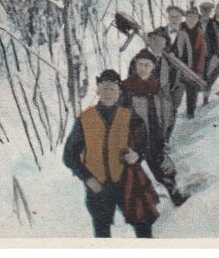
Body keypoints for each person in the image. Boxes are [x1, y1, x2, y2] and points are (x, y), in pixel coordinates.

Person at [63, 69, 153, 237]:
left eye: (113, 88)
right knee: (102, 234)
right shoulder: (85, 119)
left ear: (119, 92)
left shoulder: (129, 116)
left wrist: (137, 155)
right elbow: (69, 155)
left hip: (126, 182)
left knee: (143, 228)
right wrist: (87, 178)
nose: (108, 92)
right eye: (105, 88)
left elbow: (144, 141)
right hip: (98, 187)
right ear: (98, 89)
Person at [124, 47, 189, 208]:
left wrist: (164, 134)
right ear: (135, 66)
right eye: (140, 64)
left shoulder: (157, 88)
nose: (143, 68)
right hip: (133, 140)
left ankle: (175, 195)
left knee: (165, 169)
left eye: (147, 64)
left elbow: (165, 113)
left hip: (154, 138)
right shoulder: (126, 89)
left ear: (153, 67)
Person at [155, 6, 193, 130]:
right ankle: (160, 139)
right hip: (162, 78)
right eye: (172, 16)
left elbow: (189, 58)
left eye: (177, 17)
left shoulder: (184, 35)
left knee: (173, 109)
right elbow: (151, 53)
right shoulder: (159, 32)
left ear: (181, 18)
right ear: (168, 17)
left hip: (178, 79)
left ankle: (166, 139)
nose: (174, 19)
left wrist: (185, 77)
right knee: (163, 108)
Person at [181, 7, 206, 119]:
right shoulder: (179, 29)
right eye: (189, 17)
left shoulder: (199, 31)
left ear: (197, 19)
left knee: (192, 89)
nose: (191, 19)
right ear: (185, 18)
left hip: (193, 67)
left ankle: (190, 112)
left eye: (194, 17)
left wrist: (199, 68)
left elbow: (202, 50)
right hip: (178, 65)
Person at [198, 1, 219, 105]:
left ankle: (205, 99)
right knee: (198, 77)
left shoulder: (213, 24)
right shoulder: (196, 23)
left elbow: (218, 40)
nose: (206, 13)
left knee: (208, 77)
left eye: (208, 11)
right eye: (204, 10)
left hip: (210, 55)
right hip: (197, 56)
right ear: (200, 11)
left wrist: (218, 54)